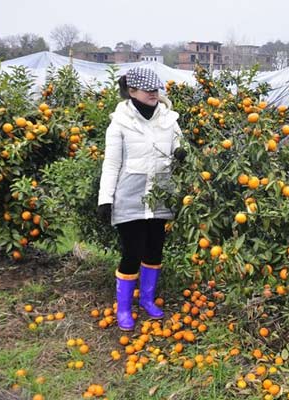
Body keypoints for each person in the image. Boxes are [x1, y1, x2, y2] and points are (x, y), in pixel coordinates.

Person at [97, 67, 186, 331]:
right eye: (148, 90)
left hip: (160, 195)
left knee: (154, 250)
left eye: (156, 89)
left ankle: (147, 299)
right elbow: (111, 163)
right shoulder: (120, 122)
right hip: (130, 196)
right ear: (132, 91)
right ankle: (124, 308)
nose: (153, 94)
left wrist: (181, 153)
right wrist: (106, 198)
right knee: (132, 253)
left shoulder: (169, 119)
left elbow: (179, 146)